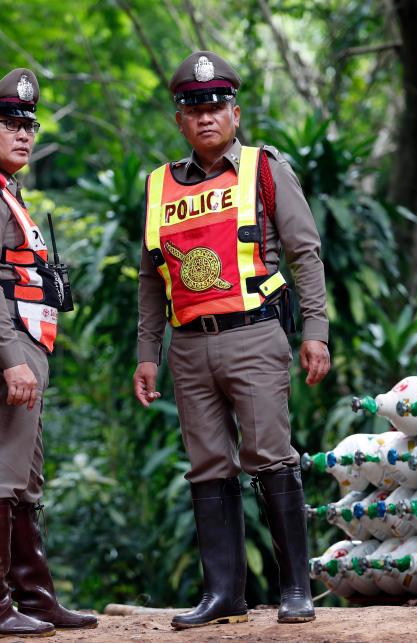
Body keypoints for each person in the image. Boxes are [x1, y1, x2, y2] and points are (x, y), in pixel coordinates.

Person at [133, 51, 331, 629]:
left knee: (270, 456)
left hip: (255, 336)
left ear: (235, 113)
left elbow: (305, 254)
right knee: (207, 467)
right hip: (189, 346)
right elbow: (150, 276)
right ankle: (225, 595)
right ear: (180, 122)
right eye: (194, 110)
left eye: (216, 106)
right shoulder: (159, 186)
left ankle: (297, 589)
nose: (206, 118)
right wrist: (148, 353)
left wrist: (314, 331)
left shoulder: (265, 170)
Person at [0, 68, 97, 640]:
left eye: (29, 124)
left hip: (20, 347)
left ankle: (33, 596)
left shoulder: (3, 189)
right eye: (9, 124)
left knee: (24, 480)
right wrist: (11, 358)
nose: (24, 134)